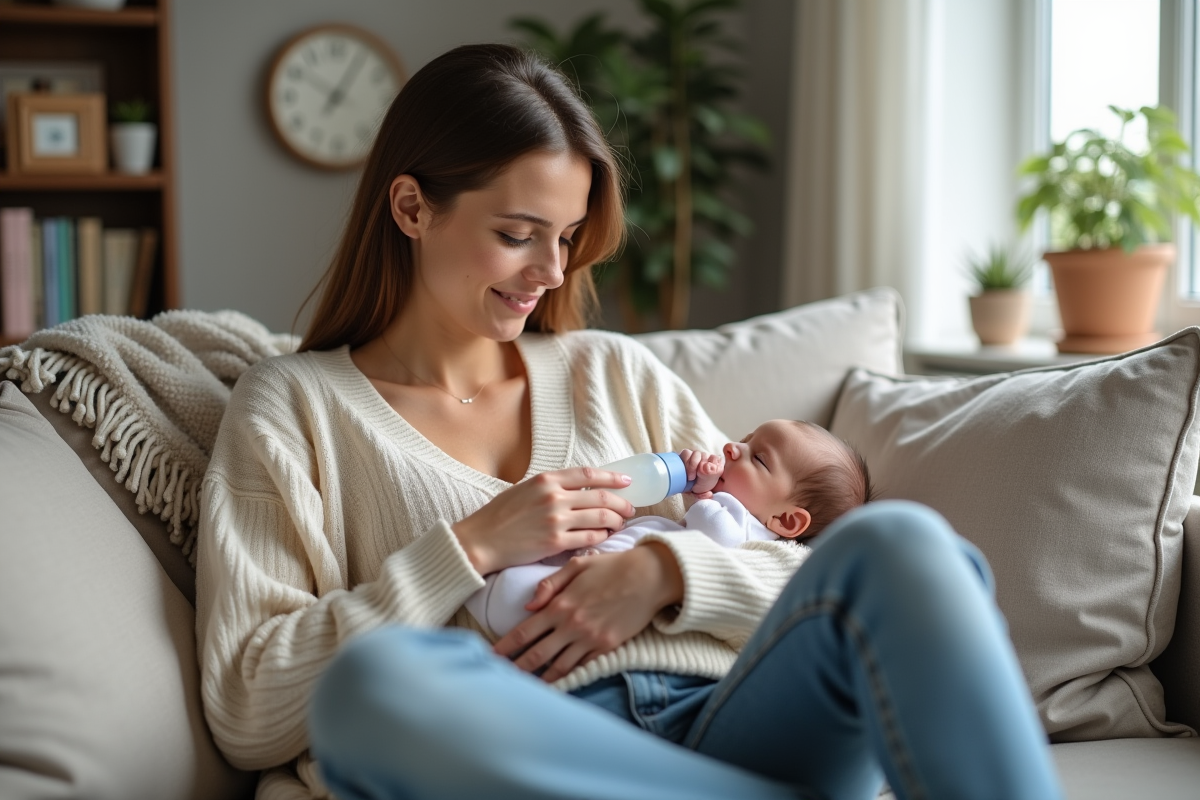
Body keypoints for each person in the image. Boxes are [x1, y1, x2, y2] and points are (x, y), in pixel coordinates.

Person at [196, 43, 1063, 800]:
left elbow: (789, 562)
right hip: (534, 750)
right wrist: (471, 547)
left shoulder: (613, 373)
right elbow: (249, 705)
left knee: (904, 544)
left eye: (567, 236)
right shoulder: (294, 409)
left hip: (733, 717)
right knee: (371, 689)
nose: (550, 271)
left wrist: (665, 571)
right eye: (518, 234)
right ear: (413, 208)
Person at [466, 419, 870, 638]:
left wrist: (702, 495)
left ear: (786, 521)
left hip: (597, 599)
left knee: (510, 594)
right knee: (505, 585)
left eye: (758, 458)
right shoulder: (740, 513)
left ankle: (489, 592)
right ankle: (485, 584)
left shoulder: (750, 533)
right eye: (746, 438)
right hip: (597, 574)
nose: (732, 447)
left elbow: (716, 536)